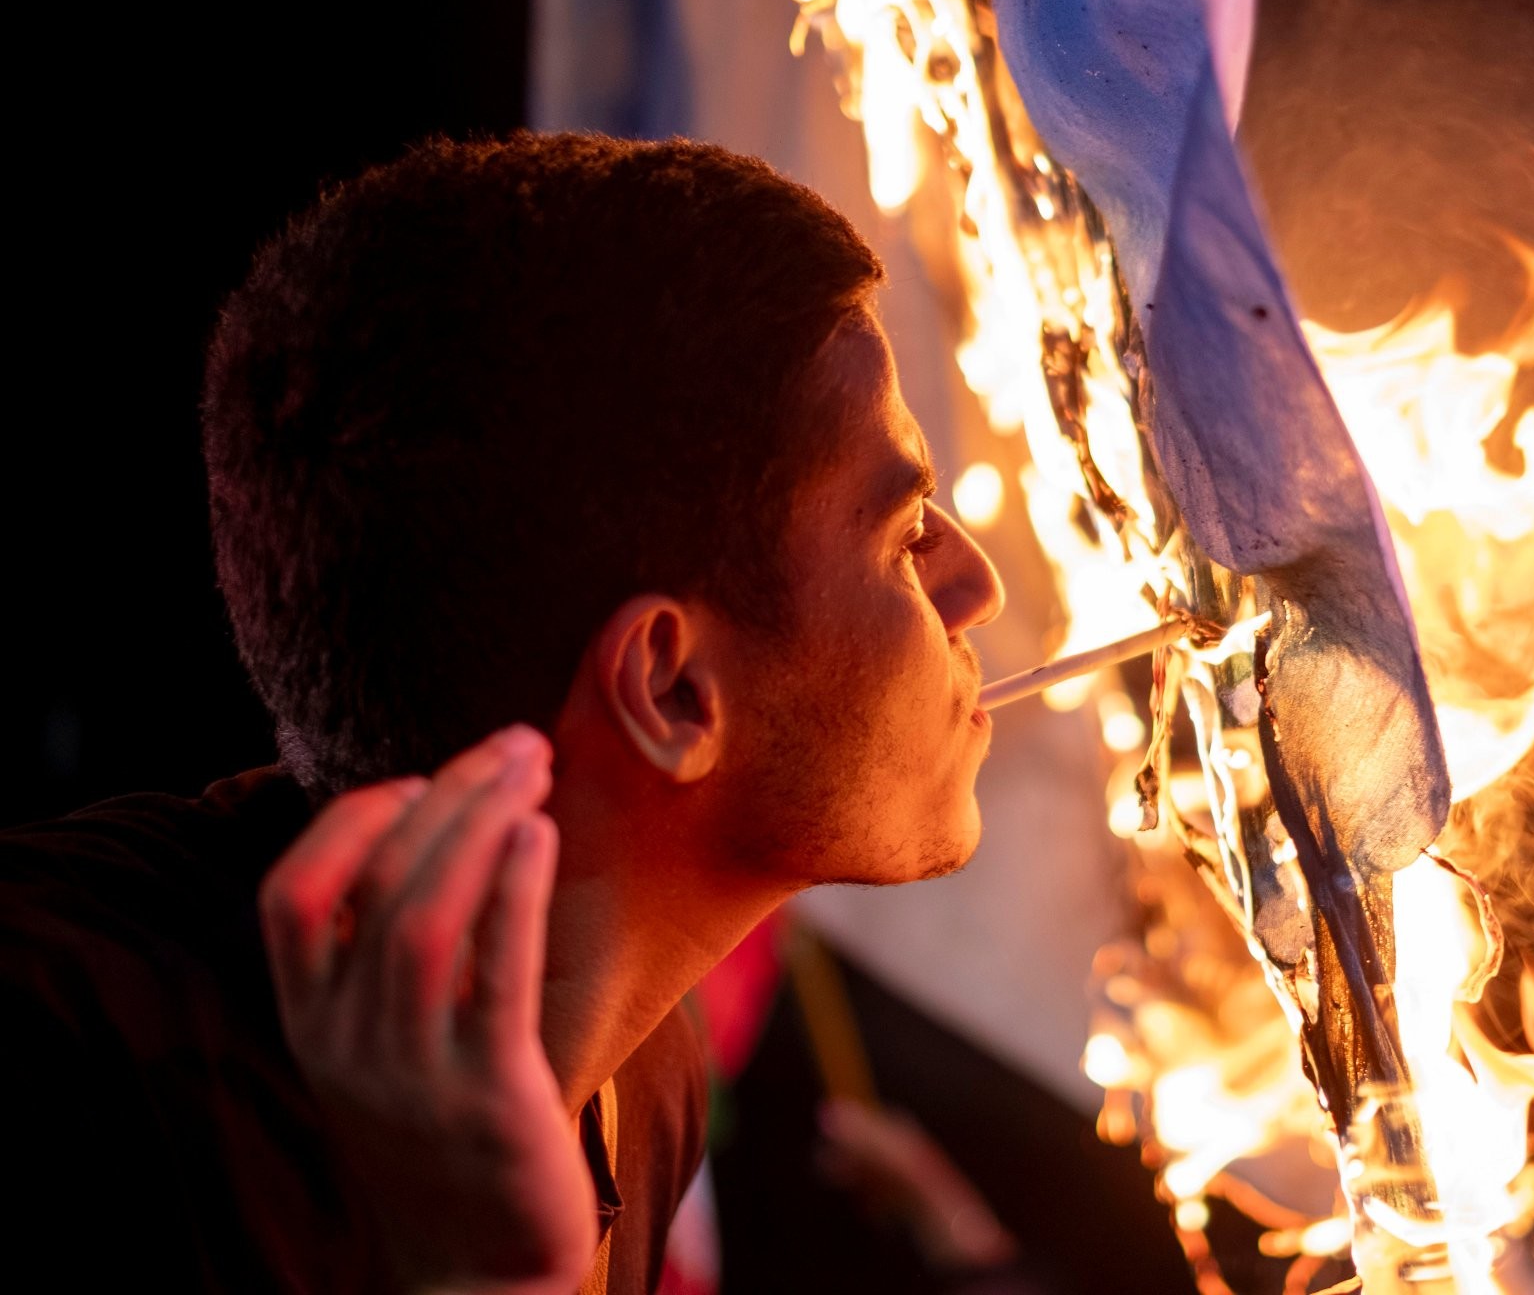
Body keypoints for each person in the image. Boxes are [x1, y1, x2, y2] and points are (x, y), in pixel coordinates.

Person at [1, 133, 1004, 1293]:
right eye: (902, 533)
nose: (971, 582)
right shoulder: (62, 1087)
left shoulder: (642, 1074)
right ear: (671, 688)